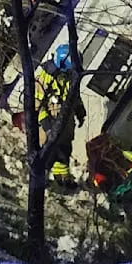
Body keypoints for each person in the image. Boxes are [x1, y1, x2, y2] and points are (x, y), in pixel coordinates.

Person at [35, 43, 85, 191]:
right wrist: (46, 125)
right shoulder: (44, 78)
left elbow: (74, 94)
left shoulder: (70, 76)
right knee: (47, 152)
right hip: (50, 121)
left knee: (64, 150)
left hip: (66, 121)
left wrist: (80, 111)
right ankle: (39, 179)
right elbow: (36, 104)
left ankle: (62, 177)